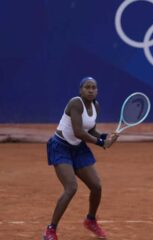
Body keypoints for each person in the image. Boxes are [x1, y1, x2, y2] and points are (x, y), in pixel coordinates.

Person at [43, 77, 119, 240]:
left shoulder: (96, 106)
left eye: (94, 87)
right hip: (61, 147)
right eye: (87, 87)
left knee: (96, 186)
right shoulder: (75, 103)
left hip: (78, 149)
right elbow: (79, 132)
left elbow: (90, 130)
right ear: (80, 90)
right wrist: (101, 142)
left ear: (97, 91)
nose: (91, 90)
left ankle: (90, 220)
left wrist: (106, 137)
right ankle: (51, 230)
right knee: (71, 187)